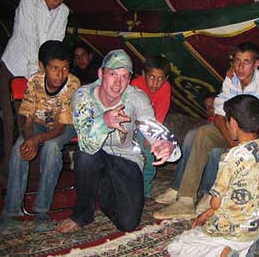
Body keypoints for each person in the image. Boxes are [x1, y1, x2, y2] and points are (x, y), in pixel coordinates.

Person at [153, 42, 259, 220]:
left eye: (246, 62)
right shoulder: (231, 80)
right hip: (238, 129)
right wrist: (232, 142)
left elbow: (255, 122)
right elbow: (219, 116)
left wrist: (236, 146)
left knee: (252, 151)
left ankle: (245, 202)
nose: (240, 67)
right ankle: (185, 199)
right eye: (237, 61)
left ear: (256, 64)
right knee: (203, 133)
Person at [56, 49, 179, 233]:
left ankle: (104, 187)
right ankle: (82, 213)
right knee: (85, 156)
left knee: (128, 223)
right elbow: (86, 142)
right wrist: (104, 122)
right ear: (101, 74)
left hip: (126, 158)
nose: (118, 83)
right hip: (94, 153)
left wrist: (166, 144)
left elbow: (152, 128)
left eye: (124, 76)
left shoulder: (136, 97)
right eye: (112, 74)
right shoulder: (83, 96)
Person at [0, 40, 79, 234]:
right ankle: (10, 212)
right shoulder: (35, 82)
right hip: (39, 124)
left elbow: (60, 127)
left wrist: (37, 140)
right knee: (20, 147)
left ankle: (42, 210)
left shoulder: (72, 84)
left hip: (66, 127)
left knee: (52, 147)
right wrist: (29, 139)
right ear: (41, 67)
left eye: (65, 68)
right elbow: (28, 121)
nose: (60, 74)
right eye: (54, 68)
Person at [167, 95, 259, 256]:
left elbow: (216, 203)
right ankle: (246, 250)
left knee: (178, 246)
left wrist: (209, 212)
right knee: (233, 239)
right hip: (253, 230)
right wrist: (208, 213)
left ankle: (221, 254)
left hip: (227, 231)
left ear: (233, 123)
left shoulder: (231, 157)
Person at [0, 0, 70, 172]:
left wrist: (46, 78)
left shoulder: (63, 12)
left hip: (40, 71)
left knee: (33, 122)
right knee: (12, 122)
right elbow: (30, 40)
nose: (57, 0)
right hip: (14, 68)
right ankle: (9, 170)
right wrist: (37, 79)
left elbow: (54, 44)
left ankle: (33, 173)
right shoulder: (28, 3)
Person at [155, 93, 216, 205]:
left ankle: (206, 194)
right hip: (205, 144)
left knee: (211, 149)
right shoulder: (209, 121)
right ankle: (177, 188)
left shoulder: (226, 119)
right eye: (208, 107)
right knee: (191, 136)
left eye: (213, 105)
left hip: (219, 144)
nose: (211, 109)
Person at [130, 55, 171, 197]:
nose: (155, 82)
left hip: (151, 127)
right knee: (135, 158)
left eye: (160, 78)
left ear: (166, 79)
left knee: (148, 158)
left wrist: (152, 137)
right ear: (143, 74)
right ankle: (131, 186)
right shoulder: (135, 85)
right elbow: (130, 113)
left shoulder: (165, 88)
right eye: (152, 77)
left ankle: (144, 189)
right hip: (133, 126)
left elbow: (161, 113)